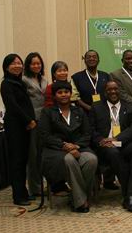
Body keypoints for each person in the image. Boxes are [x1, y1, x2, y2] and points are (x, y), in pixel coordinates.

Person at [38, 81, 98, 213]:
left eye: (66, 92)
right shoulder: (47, 112)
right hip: (55, 150)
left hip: (79, 147)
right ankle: (81, 201)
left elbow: (87, 133)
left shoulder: (79, 111)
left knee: (91, 160)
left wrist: (76, 146)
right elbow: (45, 136)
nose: (64, 95)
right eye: (60, 92)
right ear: (54, 96)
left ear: (71, 94)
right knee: (69, 160)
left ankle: (77, 196)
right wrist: (65, 146)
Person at [89, 81, 132, 212]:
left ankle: (130, 194)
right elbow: (91, 130)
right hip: (105, 146)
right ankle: (131, 195)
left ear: (119, 90)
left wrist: (116, 138)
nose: (113, 92)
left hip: (122, 142)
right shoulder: (96, 107)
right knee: (113, 153)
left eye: (115, 89)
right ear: (105, 92)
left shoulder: (129, 106)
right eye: (109, 89)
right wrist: (102, 140)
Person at [71, 50, 115, 189]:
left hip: (103, 116)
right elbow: (75, 97)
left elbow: (110, 94)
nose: (91, 59)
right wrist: (90, 108)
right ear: (84, 59)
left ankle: (109, 180)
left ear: (98, 59)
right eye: (89, 57)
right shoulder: (76, 77)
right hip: (84, 116)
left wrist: (98, 110)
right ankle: (95, 181)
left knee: (108, 142)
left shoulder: (105, 76)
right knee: (92, 145)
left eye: (94, 57)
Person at [0, 54, 36, 206]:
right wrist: (28, 120)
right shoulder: (6, 84)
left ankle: (23, 192)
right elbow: (13, 106)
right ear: (7, 67)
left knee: (23, 160)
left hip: (25, 126)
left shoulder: (18, 82)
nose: (17, 65)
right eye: (13, 63)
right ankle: (18, 196)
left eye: (19, 63)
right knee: (17, 161)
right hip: (15, 127)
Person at [22, 52, 48, 198]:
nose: (36, 66)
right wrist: (28, 120)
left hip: (44, 121)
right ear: (28, 65)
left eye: (39, 63)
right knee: (33, 156)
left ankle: (42, 186)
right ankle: (34, 188)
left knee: (41, 155)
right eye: (33, 63)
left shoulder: (44, 79)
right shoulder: (24, 80)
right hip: (32, 121)